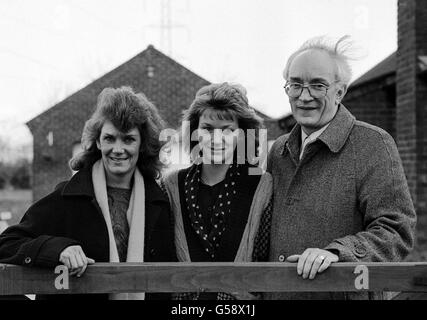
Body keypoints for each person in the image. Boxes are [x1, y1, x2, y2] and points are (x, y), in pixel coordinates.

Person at [263, 36, 417, 299]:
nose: (304, 95)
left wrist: (337, 253)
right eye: (296, 85)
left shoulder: (373, 144)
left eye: (318, 85)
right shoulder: (278, 150)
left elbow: (396, 230)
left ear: (340, 92)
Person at [0, 86, 176, 300]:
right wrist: (57, 249)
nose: (118, 149)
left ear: (142, 145)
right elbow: (7, 243)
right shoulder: (69, 196)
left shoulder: (158, 201)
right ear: (98, 141)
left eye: (128, 139)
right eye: (110, 138)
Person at [162, 82, 272, 300]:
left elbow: (263, 259)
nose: (216, 139)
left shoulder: (261, 185)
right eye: (208, 129)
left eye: (227, 130)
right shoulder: (172, 185)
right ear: (195, 132)